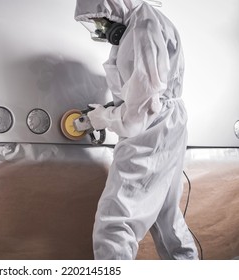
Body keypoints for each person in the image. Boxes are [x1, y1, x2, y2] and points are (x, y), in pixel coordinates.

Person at [74, 0, 199, 259]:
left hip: (150, 132)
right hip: (166, 125)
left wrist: (103, 118)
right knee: (166, 216)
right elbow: (143, 93)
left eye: (100, 17)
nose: (100, 26)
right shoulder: (143, 22)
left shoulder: (142, 28)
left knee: (115, 223)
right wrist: (113, 109)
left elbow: (138, 116)